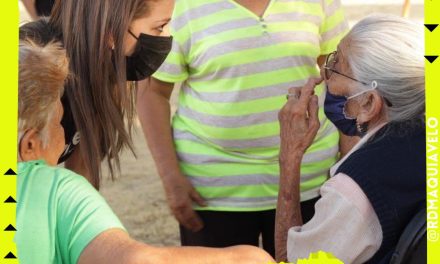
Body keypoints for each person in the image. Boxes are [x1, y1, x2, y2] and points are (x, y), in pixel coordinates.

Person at [16, 36, 274, 264]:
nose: (65, 130)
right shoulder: (58, 190)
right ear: (30, 145)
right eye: (60, 123)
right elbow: (130, 260)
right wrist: (243, 258)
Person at [136, 0, 351, 255]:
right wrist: (171, 178)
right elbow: (152, 93)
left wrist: (347, 161)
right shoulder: (181, 7)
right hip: (214, 189)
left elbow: (343, 78)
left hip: (311, 179)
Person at [275, 14, 425, 263]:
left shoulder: (354, 190)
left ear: (368, 102)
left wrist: (290, 154)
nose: (325, 76)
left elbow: (289, 261)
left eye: (336, 66)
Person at [36, 0, 174, 189]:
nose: (166, 37)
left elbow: (82, 172)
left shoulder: (105, 69)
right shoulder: (31, 72)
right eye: (160, 27)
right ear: (111, 32)